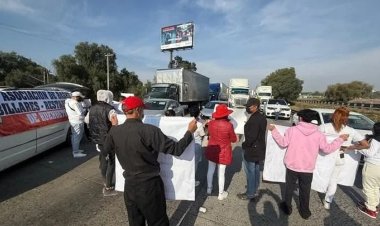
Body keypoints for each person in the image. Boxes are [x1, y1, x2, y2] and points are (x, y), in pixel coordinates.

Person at [103, 96, 197, 225]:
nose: (143, 113)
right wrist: (189, 132)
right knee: (158, 222)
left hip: (130, 186)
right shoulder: (150, 131)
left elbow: (105, 150)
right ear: (137, 110)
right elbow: (177, 150)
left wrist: (113, 127)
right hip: (149, 187)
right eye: (142, 110)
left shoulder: (115, 131)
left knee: (135, 222)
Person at [268, 109, 348, 219]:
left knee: (289, 187)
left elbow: (283, 143)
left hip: (292, 166)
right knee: (305, 190)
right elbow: (327, 149)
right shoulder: (319, 134)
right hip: (308, 168)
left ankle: (287, 207)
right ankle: (305, 212)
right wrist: (340, 139)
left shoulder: (292, 130)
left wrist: (274, 130)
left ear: (301, 118)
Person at [320, 107, 369, 209]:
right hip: (340, 157)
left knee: (320, 175)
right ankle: (327, 201)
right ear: (346, 118)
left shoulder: (324, 127)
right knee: (333, 180)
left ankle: (319, 188)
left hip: (324, 157)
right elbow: (365, 144)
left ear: (334, 116)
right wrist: (351, 147)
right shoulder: (351, 131)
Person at [347, 122, 380, 219]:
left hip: (372, 166)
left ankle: (371, 210)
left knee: (368, 188)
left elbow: (370, 153)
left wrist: (357, 148)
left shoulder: (376, 139)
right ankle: (374, 205)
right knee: (376, 187)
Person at [89, 90, 118, 197]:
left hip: (97, 139)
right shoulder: (110, 109)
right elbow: (115, 123)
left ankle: (104, 180)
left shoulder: (92, 108)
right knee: (111, 162)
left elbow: (87, 120)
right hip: (108, 139)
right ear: (108, 98)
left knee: (102, 160)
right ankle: (108, 187)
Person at [205, 104, 238, 200]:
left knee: (210, 170)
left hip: (212, 149)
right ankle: (220, 194)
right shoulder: (229, 125)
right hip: (224, 151)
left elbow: (209, 134)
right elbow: (233, 139)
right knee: (221, 173)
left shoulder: (211, 123)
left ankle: (209, 189)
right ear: (226, 115)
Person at [237, 98, 267, 201]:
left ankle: (250, 193)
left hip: (252, 149)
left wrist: (245, 145)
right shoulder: (262, 117)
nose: (247, 108)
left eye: (249, 106)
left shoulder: (254, 120)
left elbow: (251, 137)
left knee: (250, 171)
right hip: (259, 149)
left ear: (256, 106)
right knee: (256, 170)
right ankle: (255, 189)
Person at [65, 91, 86, 158]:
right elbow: (80, 112)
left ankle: (76, 149)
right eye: (80, 97)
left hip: (72, 120)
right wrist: (84, 109)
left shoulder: (68, 102)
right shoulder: (75, 103)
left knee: (75, 136)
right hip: (77, 121)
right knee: (76, 136)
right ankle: (75, 152)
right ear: (76, 97)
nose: (81, 99)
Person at [189, 106, 206, 187]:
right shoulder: (198, 124)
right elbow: (202, 135)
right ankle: (192, 181)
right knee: (195, 165)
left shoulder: (187, 122)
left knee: (188, 164)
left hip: (187, 145)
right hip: (197, 145)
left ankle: (187, 180)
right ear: (198, 113)